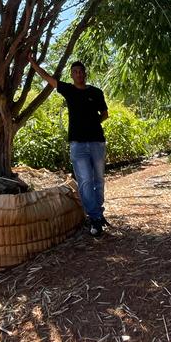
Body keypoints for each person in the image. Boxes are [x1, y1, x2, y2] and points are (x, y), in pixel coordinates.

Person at [28, 56, 109, 236]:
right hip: (78, 145)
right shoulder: (69, 90)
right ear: (71, 75)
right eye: (75, 72)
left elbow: (105, 113)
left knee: (98, 180)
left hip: (96, 142)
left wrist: (94, 122)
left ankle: (98, 213)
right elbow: (47, 78)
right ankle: (95, 217)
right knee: (85, 181)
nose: (78, 74)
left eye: (81, 72)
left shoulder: (96, 92)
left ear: (85, 74)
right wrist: (33, 63)